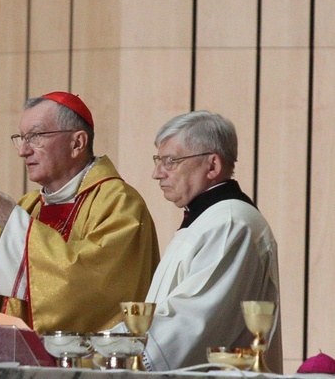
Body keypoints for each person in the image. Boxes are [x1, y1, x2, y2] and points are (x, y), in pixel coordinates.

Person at [0, 91, 160, 333]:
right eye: (21, 138)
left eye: (36, 136)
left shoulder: (120, 203)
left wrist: (14, 223)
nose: (23, 151)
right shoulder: (31, 205)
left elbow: (90, 283)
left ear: (77, 143)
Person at [120, 110, 282, 372]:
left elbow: (193, 322)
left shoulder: (231, 223)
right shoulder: (208, 220)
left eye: (170, 161)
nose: (157, 173)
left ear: (213, 166)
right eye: (158, 160)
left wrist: (107, 349)